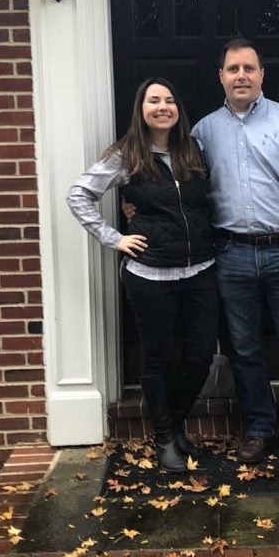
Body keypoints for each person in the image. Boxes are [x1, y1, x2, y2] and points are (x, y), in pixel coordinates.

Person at [192, 37, 279, 469]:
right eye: (233, 69)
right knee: (244, 349)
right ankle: (258, 428)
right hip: (231, 253)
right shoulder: (203, 131)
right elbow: (184, 186)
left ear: (261, 75)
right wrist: (136, 202)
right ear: (221, 76)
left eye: (249, 69)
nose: (241, 76)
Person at [67, 77, 219, 473]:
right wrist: (113, 237)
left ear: (178, 109)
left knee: (200, 356)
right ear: (141, 109)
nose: (163, 107)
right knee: (158, 357)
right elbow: (79, 194)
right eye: (154, 100)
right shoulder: (125, 155)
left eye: (170, 100)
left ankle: (176, 422)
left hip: (200, 269)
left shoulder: (194, 150)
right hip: (150, 275)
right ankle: (166, 438)